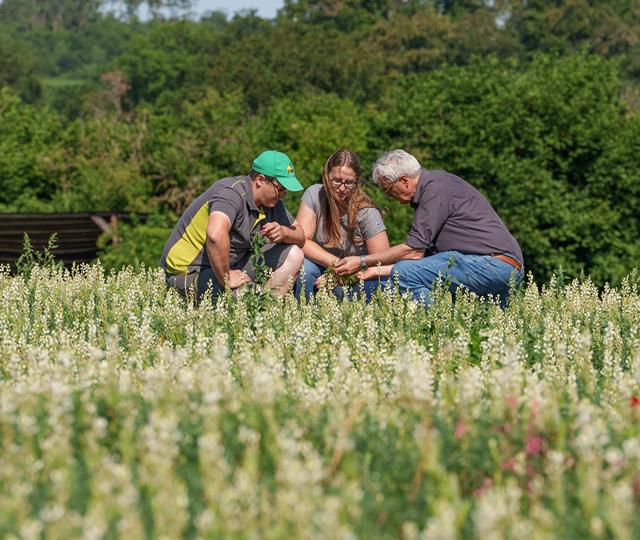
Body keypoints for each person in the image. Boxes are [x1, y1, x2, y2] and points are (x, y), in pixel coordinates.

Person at [334, 149, 524, 306]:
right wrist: (374, 271)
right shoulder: (438, 185)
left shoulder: (435, 190)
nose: (388, 197)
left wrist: (361, 261)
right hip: (494, 265)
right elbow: (427, 260)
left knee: (405, 274)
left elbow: (413, 252)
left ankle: (432, 327)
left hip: (494, 265)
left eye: (388, 190)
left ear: (404, 181)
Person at [161, 150, 305, 301]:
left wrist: (285, 232)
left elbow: (301, 236)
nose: (283, 195)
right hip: (189, 272)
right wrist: (226, 278)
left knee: (295, 254)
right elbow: (215, 236)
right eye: (280, 189)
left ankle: (268, 308)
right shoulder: (230, 193)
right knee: (250, 298)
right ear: (260, 179)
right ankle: (258, 307)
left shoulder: (274, 203)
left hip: (232, 266)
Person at [294, 148, 390, 301]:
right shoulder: (314, 194)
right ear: (326, 176)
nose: (342, 188)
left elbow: (382, 261)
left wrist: (342, 276)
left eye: (349, 183)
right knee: (304, 269)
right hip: (322, 265)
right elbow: (301, 240)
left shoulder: (367, 213)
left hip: (357, 274)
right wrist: (337, 266)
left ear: (356, 181)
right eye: (337, 180)